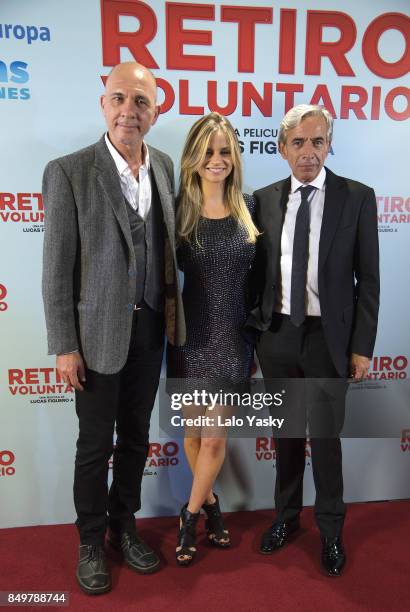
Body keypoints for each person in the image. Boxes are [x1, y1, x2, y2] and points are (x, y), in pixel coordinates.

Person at [42, 62, 185, 595]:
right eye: (120, 98)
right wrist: (64, 345)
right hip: (95, 338)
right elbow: (57, 268)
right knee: (94, 444)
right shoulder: (69, 171)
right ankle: (89, 539)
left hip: (151, 330)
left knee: (137, 440)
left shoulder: (165, 166)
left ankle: (125, 526)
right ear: (103, 104)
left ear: (156, 109)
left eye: (141, 101)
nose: (130, 110)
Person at [246, 104, 379, 576]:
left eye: (317, 142)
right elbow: (253, 275)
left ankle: (331, 531)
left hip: (329, 339)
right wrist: (255, 335)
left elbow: (370, 279)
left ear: (329, 145)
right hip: (278, 335)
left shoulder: (357, 197)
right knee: (285, 437)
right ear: (282, 149)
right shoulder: (260, 199)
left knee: (325, 441)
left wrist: (361, 347)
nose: (308, 152)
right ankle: (286, 518)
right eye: (298, 143)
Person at [167, 112, 259, 566]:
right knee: (192, 435)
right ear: (194, 157)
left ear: (234, 157)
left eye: (224, 151)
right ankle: (213, 506)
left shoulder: (251, 208)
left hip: (233, 340)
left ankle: (188, 518)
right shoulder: (177, 209)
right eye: (208, 151)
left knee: (215, 440)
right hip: (190, 339)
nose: (217, 160)